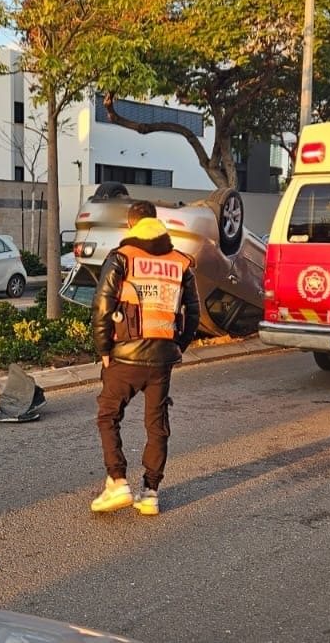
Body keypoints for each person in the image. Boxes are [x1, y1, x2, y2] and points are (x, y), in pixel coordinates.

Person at [90, 200, 201, 516]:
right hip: (162, 358)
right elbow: (194, 311)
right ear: (156, 223)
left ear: (131, 225)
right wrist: (177, 344)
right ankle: (150, 492)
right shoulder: (180, 262)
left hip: (125, 355)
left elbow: (102, 307)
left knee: (108, 416)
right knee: (157, 424)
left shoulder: (121, 258)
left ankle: (117, 482)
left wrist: (103, 351)